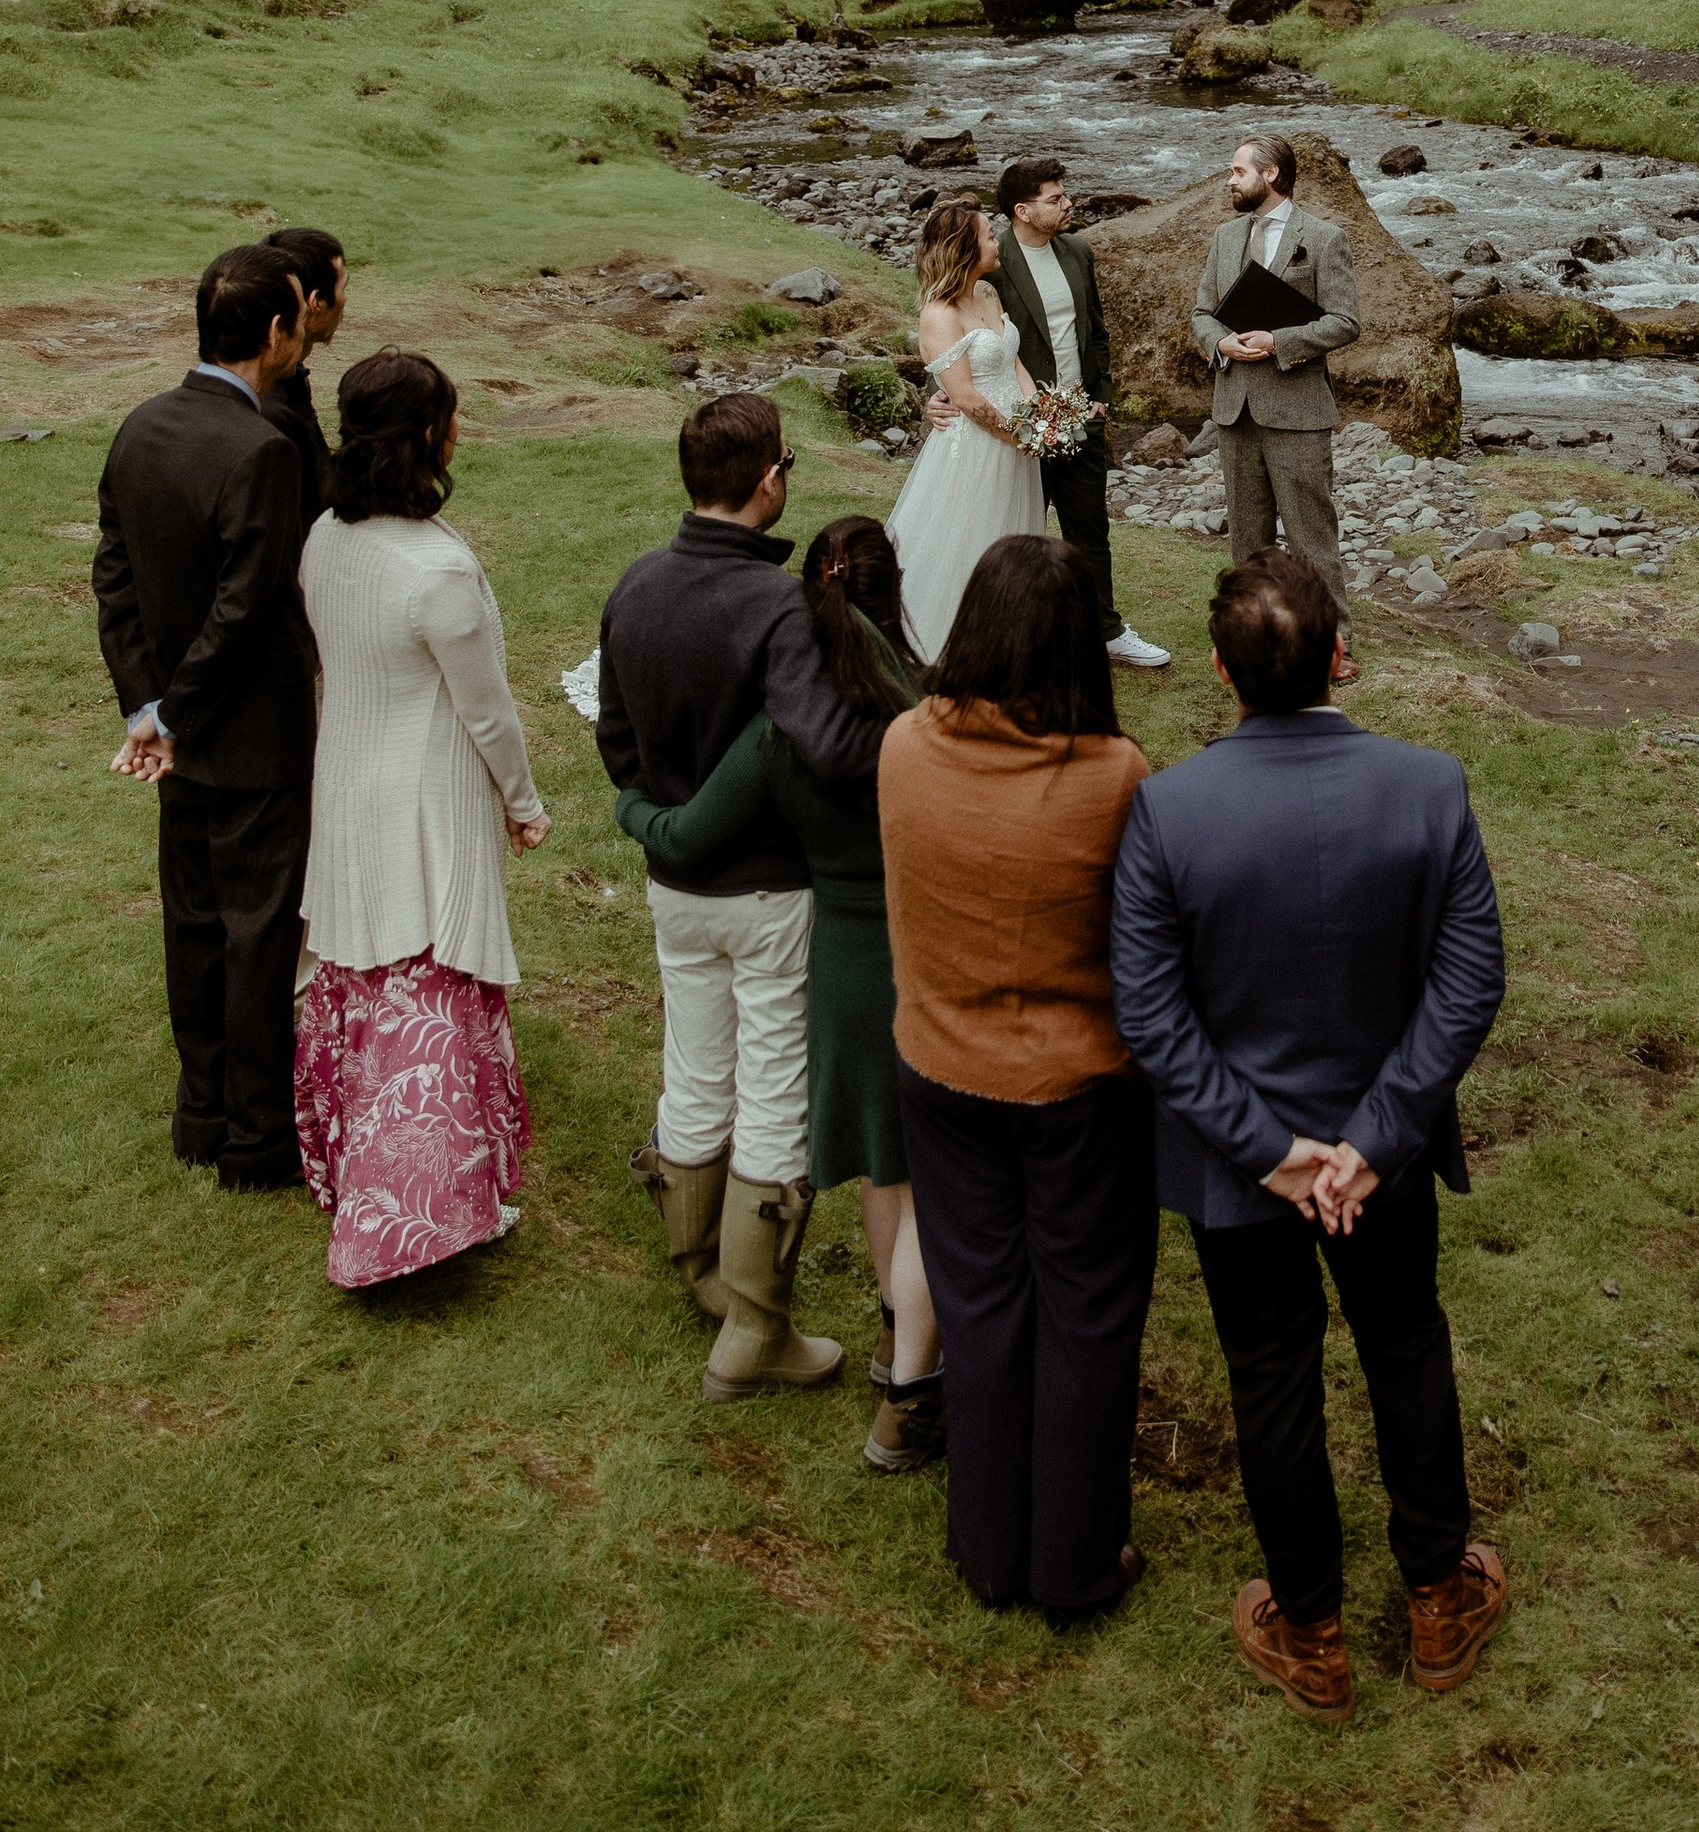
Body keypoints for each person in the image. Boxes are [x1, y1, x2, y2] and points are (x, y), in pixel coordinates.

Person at [1111, 551, 1508, 1717]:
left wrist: (1272, 1153)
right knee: (1405, 1347)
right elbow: (1467, 980)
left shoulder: (1168, 807)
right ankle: (1437, 1595)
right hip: (1373, 1165)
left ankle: (1313, 1627)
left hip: (1247, 1180)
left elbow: (1150, 1013)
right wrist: (1374, 1142)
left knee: (1272, 1375)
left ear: (1222, 676)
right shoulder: (1428, 785)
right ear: (1341, 655)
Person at [611, 515, 947, 1474]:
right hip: (929, 947)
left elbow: (682, 836)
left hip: (842, 955)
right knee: (919, 1163)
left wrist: (629, 805)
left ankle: (739, 1298)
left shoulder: (778, 737)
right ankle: (890, 1346)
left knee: (870, 1155)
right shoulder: (930, 719)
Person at [878, 536, 1156, 1625]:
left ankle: (989, 1547)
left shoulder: (904, 745)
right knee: (1085, 1315)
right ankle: (1075, 1564)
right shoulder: (1112, 777)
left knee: (983, 1302)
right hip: (1073, 1086)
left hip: (940, 1069)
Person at [598, 392, 891, 1398]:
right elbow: (826, 741)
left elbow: (615, 741)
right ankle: (755, 1327)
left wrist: (647, 810)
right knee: (771, 1093)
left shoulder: (634, 586)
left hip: (675, 886)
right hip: (769, 891)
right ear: (770, 481)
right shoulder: (778, 606)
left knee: (694, 1071)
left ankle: (703, 1278)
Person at [294, 353, 548, 1287]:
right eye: (452, 415)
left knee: (364, 973)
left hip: (346, 781)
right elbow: (489, 714)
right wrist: (524, 806)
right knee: (428, 979)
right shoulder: (438, 567)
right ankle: (411, 1222)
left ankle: (369, 1173)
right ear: (428, 436)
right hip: (423, 798)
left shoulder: (325, 536)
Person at [93, 242, 318, 1188]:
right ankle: (258, 1141)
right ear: (274, 332)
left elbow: (113, 577)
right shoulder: (262, 448)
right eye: (299, 318)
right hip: (253, 739)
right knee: (257, 931)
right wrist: (174, 713)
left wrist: (145, 705)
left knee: (191, 921)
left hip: (175, 739)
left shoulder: (140, 425)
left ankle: (200, 1117)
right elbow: (245, 604)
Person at [993, 156, 1170, 672]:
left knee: (1090, 531)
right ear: (1022, 211)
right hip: (1019, 423)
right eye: (1055, 198)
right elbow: (966, 334)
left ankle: (1107, 631)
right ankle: (1014, 632)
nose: (1068, 203)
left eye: (1064, 194)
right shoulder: (992, 260)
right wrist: (946, 393)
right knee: (1018, 532)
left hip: (1081, 416)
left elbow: (1095, 329)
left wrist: (1102, 395)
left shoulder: (1077, 250)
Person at [1194, 135, 1362, 684]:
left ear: (1269, 175)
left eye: (1237, 170)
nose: (1229, 180)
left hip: (1297, 408)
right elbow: (1202, 312)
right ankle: (1252, 640)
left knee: (1312, 533)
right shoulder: (1224, 237)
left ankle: (1333, 644)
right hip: (1234, 406)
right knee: (1247, 536)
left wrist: (1278, 340)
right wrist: (1220, 344)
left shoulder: (1324, 237)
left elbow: (1344, 321)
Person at [887, 197, 1046, 666]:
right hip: (977, 445)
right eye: (989, 236)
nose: (997, 242)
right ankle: (945, 645)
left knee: (1011, 537)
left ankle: (1006, 637)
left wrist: (1042, 412)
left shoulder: (989, 295)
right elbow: (966, 398)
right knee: (967, 539)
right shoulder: (939, 314)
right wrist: (1021, 436)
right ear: (964, 247)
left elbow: (1014, 361)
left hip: (1019, 437)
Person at [264, 222, 349, 523]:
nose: (345, 301)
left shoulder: (287, 379)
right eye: (343, 288)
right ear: (316, 302)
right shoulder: (271, 409)